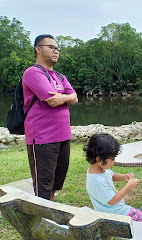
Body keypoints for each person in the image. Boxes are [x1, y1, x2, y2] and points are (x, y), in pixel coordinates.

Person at [23, 34, 78, 200]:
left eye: (57, 48)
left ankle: (50, 211)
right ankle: (42, 219)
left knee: (56, 181)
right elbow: (51, 99)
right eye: (51, 47)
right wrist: (66, 98)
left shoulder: (60, 76)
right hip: (42, 138)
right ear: (38, 49)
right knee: (44, 184)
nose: (56, 51)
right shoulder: (33, 72)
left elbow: (75, 98)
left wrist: (64, 98)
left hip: (62, 136)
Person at [84, 133, 142, 222]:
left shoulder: (100, 170)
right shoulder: (97, 182)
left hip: (114, 209)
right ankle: (134, 235)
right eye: (112, 159)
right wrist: (128, 186)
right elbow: (112, 201)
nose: (114, 161)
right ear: (99, 159)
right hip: (112, 214)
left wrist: (124, 176)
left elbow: (112, 176)